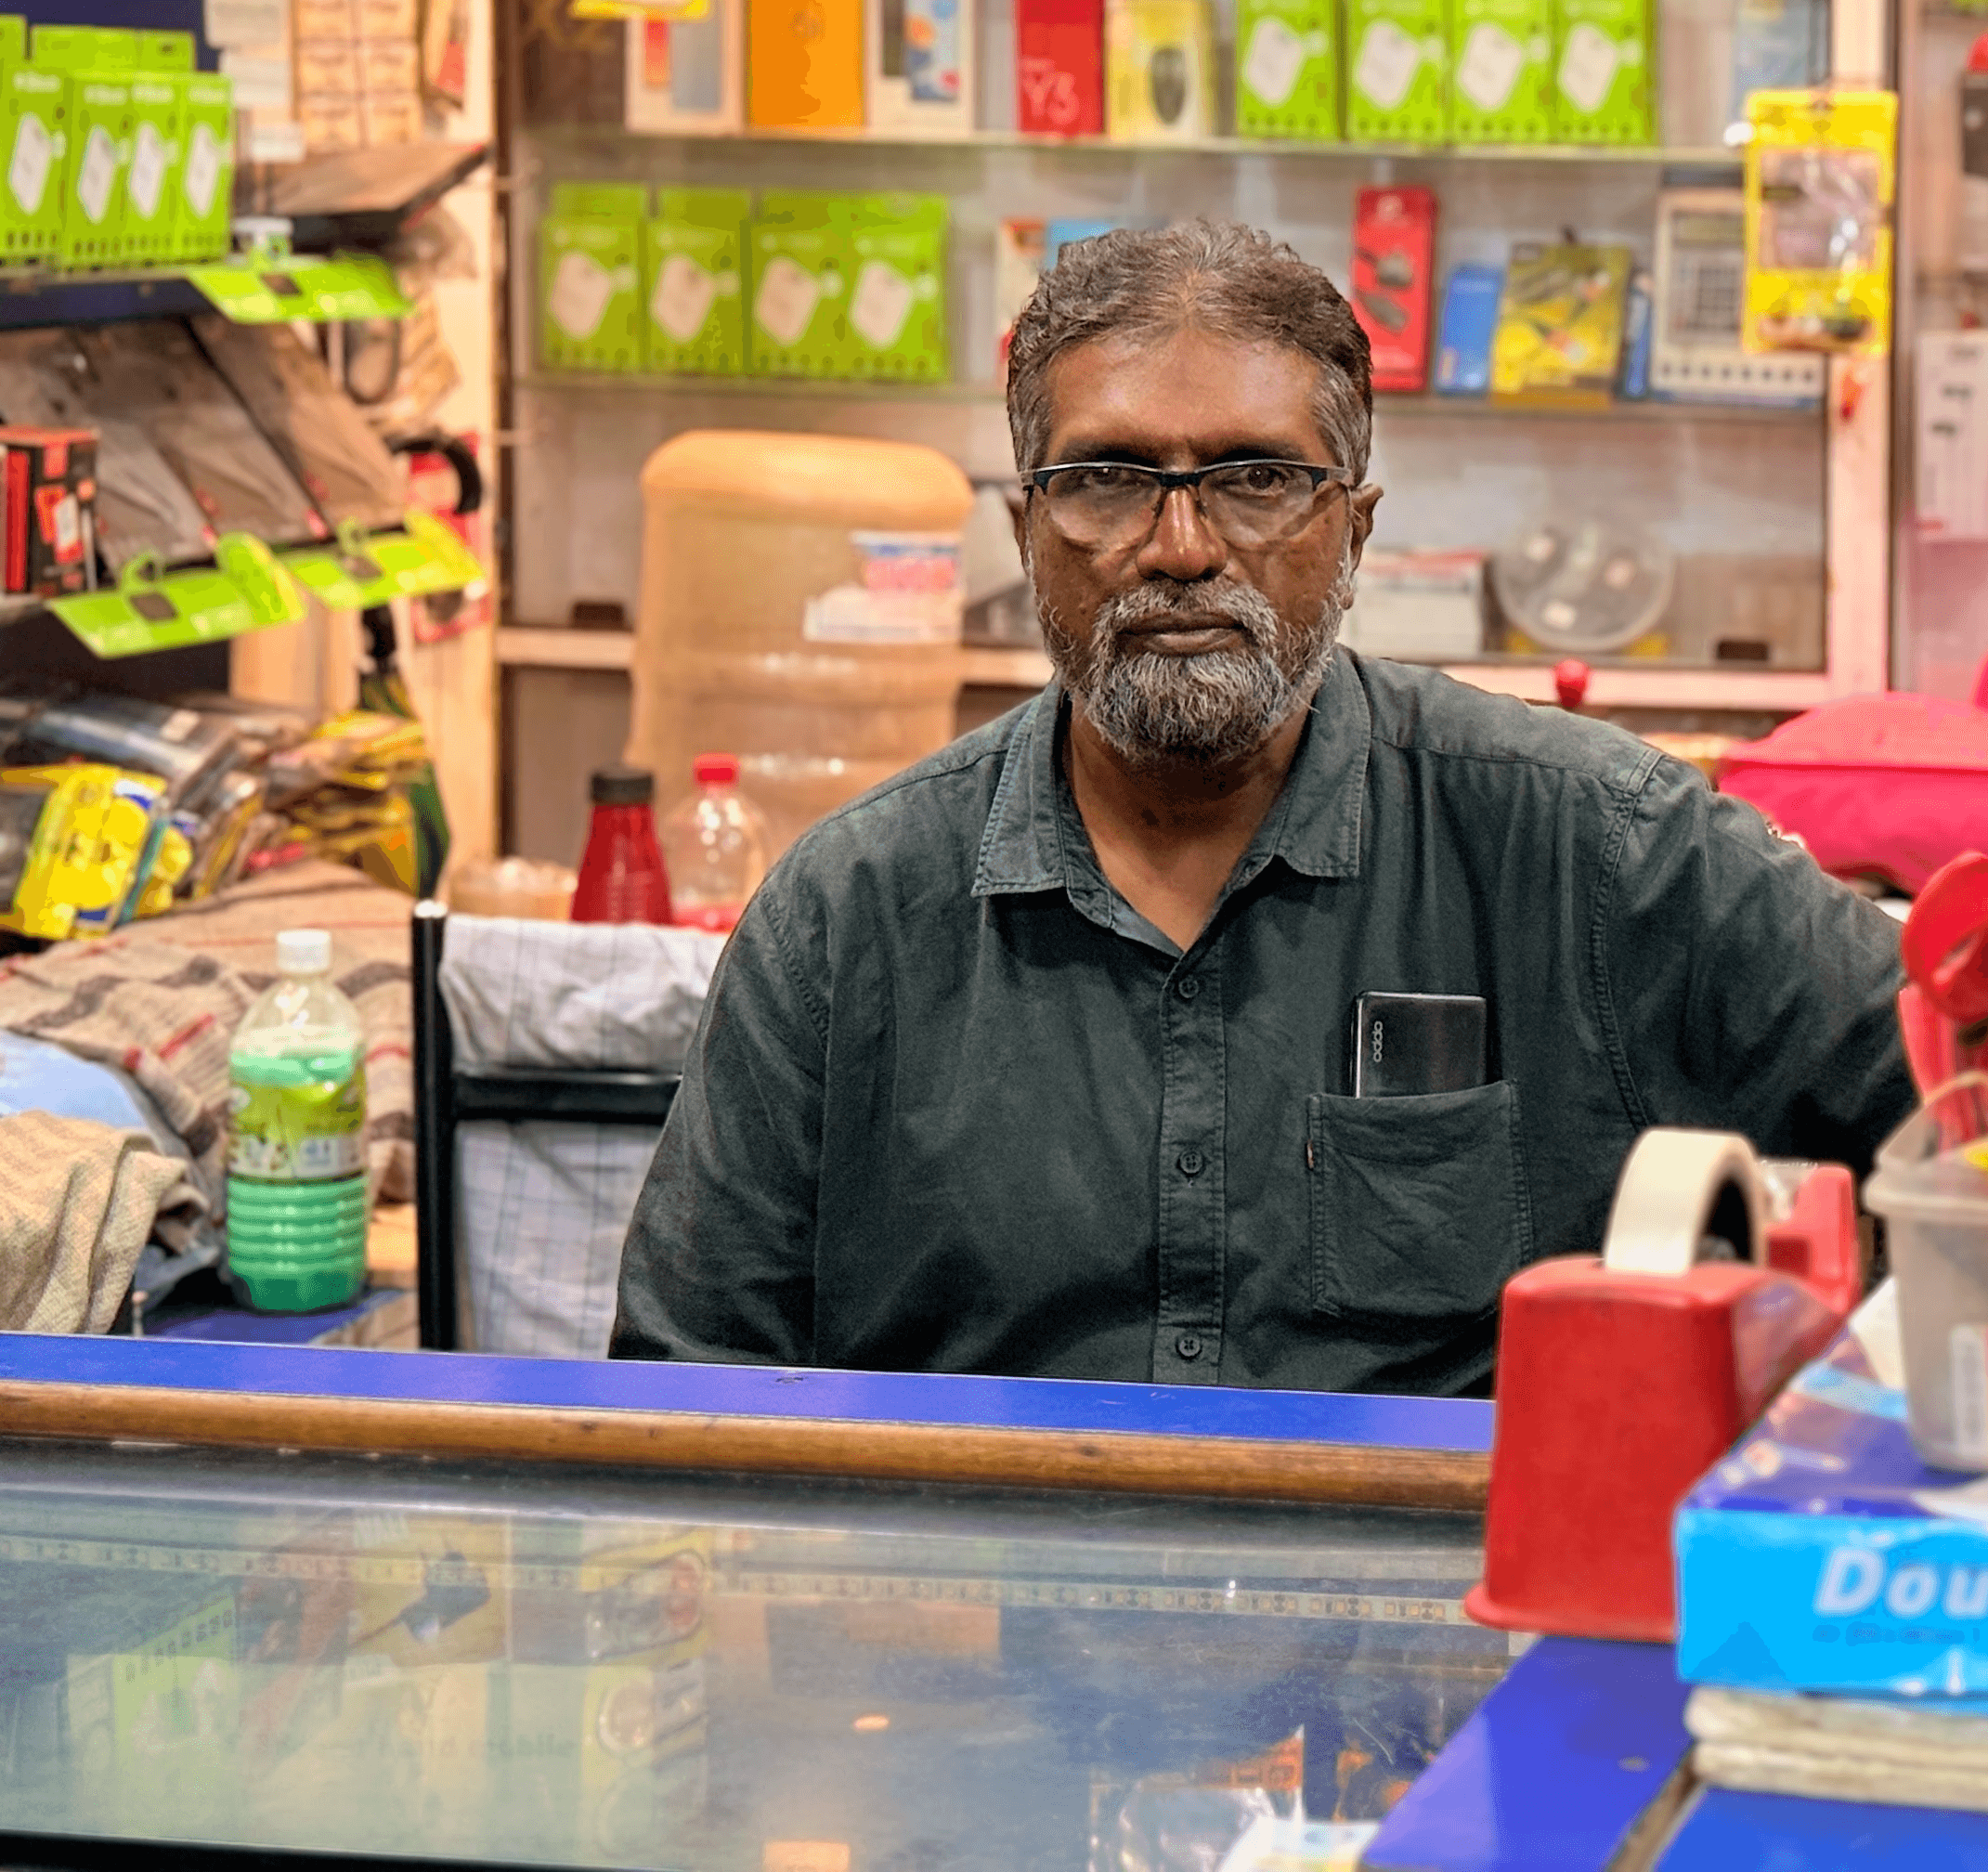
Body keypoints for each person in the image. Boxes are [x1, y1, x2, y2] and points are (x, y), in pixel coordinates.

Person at [610, 220, 1910, 1393]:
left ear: (1353, 531)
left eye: (1255, 479)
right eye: (1108, 478)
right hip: (971, 1579)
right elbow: (681, 1399)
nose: (1180, 548)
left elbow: (1980, 1133)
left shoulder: (1598, 848)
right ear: (1025, 532)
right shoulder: (847, 918)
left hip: (1447, 1588)